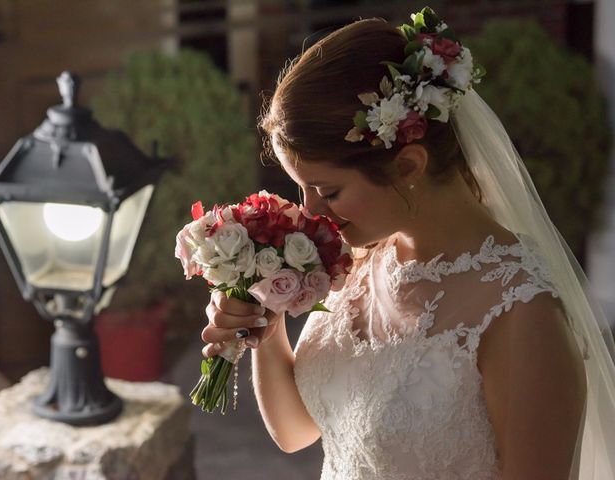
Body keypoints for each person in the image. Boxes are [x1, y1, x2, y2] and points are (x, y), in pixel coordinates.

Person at [200, 9, 615, 479]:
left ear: (408, 166)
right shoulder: (359, 259)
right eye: (303, 189)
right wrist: (267, 327)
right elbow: (298, 431)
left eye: (329, 190)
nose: (312, 212)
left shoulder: (521, 314)